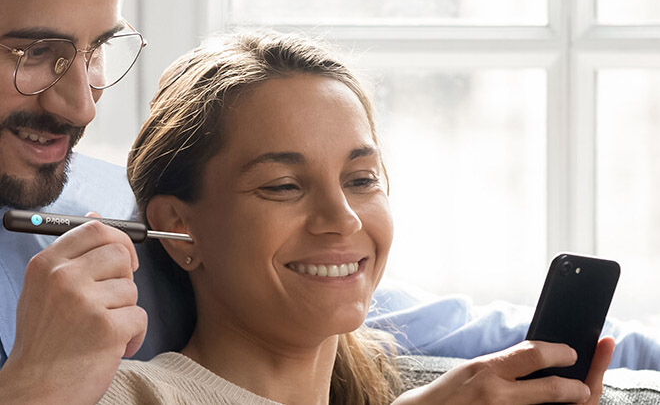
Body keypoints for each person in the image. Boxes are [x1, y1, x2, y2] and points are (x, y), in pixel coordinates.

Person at [99, 30, 614, 405]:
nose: (342, 219)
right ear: (180, 228)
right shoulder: (123, 394)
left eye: (361, 179)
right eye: (283, 186)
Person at [0, 0, 194, 403]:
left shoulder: (130, 218)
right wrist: (37, 385)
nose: (82, 108)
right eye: (35, 53)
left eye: (97, 49)